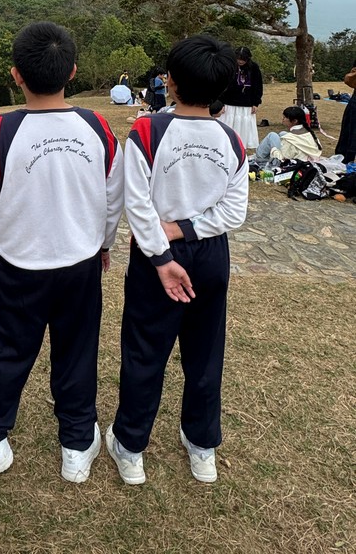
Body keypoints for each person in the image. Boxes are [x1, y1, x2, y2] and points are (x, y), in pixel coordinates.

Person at [0, 22, 124, 484]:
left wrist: (13, 216)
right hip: (80, 264)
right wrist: (104, 243)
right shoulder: (96, 127)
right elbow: (114, 197)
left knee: (8, 351)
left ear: (16, 75)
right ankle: (76, 442)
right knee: (77, 353)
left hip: (19, 266)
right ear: (72, 71)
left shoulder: (0, 130)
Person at [106, 34, 248, 487]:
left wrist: (166, 250)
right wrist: (188, 228)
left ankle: (130, 446)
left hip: (154, 256)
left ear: (169, 81)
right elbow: (233, 212)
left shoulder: (148, 131)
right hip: (210, 256)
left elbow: (137, 205)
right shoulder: (232, 141)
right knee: (205, 352)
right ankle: (202, 446)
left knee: (145, 350)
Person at [220, 46, 263, 151]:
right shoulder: (228, 66)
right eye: (238, 59)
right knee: (228, 126)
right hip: (229, 102)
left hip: (246, 103)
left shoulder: (254, 67)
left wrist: (256, 102)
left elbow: (258, 85)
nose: (240, 61)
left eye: (243, 59)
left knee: (243, 128)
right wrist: (220, 102)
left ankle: (241, 148)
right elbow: (222, 84)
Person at [254, 106, 323, 167]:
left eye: (285, 117)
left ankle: (260, 160)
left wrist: (274, 149)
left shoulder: (289, 139)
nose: (283, 119)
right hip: (306, 159)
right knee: (282, 133)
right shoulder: (309, 134)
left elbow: (282, 158)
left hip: (290, 164)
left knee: (272, 136)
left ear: (295, 121)